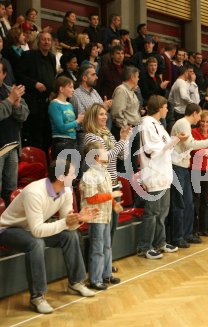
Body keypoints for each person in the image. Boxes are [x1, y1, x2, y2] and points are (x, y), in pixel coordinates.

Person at [0, 159, 99, 314]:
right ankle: (37, 297)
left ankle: (76, 283)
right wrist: (66, 222)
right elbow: (37, 232)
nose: (75, 176)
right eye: (72, 174)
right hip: (8, 229)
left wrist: (78, 219)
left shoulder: (66, 191)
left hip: (32, 228)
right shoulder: (34, 192)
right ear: (61, 177)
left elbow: (67, 222)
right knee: (36, 243)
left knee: (70, 236)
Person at [137, 95, 187, 259]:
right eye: (165, 107)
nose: (167, 110)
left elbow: (167, 147)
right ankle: (145, 246)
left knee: (162, 212)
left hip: (164, 174)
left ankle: (160, 242)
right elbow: (152, 149)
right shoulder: (146, 124)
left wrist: (176, 141)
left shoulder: (159, 124)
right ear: (159, 107)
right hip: (153, 174)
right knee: (152, 213)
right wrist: (175, 141)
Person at [83, 103, 131, 273]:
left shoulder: (108, 134)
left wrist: (123, 140)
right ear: (93, 117)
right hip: (102, 188)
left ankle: (106, 265)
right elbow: (107, 157)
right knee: (100, 233)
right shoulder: (90, 137)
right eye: (101, 114)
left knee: (111, 230)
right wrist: (122, 141)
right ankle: (97, 267)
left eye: (105, 114)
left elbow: (121, 156)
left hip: (114, 184)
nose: (105, 117)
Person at [169, 103, 208, 248]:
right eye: (199, 115)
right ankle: (177, 237)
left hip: (183, 167)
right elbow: (189, 144)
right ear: (194, 113)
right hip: (177, 166)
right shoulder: (183, 124)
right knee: (180, 204)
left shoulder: (184, 124)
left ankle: (186, 234)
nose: (199, 119)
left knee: (188, 203)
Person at [80, 142, 123, 290]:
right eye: (104, 151)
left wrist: (114, 204)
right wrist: (112, 195)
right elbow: (92, 198)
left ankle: (107, 274)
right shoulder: (89, 175)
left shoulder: (105, 172)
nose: (107, 153)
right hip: (96, 217)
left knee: (107, 246)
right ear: (97, 156)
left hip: (106, 216)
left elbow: (106, 192)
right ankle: (95, 279)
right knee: (97, 248)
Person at [16, 31, 57, 150]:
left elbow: (52, 76)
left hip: (47, 102)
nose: (46, 42)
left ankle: (45, 163)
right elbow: (19, 75)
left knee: (47, 135)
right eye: (44, 39)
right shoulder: (28, 55)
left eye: (49, 39)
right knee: (35, 135)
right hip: (32, 103)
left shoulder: (52, 57)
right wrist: (34, 84)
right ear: (39, 41)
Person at [0, 60, 29, 205]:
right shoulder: (11, 94)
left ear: (4, 74)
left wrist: (16, 104)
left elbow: (24, 115)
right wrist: (11, 100)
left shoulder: (9, 90)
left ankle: (7, 223)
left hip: (12, 146)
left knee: (10, 190)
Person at [190, 110, 208, 238]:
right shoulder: (193, 132)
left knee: (204, 200)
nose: (204, 124)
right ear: (199, 121)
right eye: (202, 121)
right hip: (195, 170)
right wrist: (206, 149)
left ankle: (203, 228)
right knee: (195, 200)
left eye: (207, 122)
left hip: (207, 170)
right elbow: (193, 148)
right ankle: (194, 229)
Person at [111, 65, 142, 173]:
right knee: (124, 165)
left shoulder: (132, 91)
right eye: (137, 77)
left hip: (133, 128)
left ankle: (130, 188)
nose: (138, 79)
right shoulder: (121, 90)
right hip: (125, 129)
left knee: (132, 164)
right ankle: (123, 189)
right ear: (132, 77)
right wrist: (126, 128)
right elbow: (117, 112)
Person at [48, 76, 83, 160]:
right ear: (61, 89)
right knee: (64, 172)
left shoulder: (69, 105)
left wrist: (80, 120)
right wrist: (77, 121)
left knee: (74, 171)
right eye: (70, 87)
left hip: (73, 141)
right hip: (61, 142)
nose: (73, 90)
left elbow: (72, 125)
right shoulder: (54, 104)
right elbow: (61, 127)